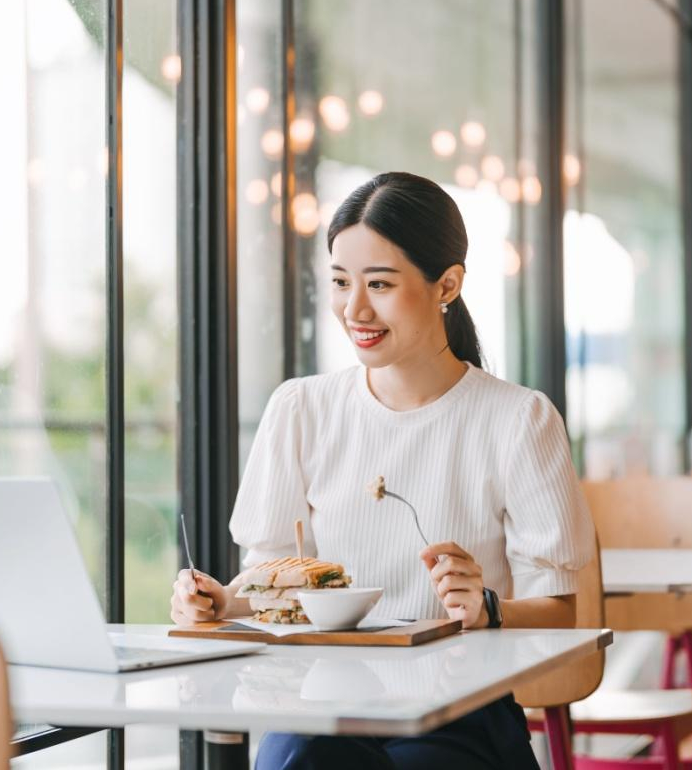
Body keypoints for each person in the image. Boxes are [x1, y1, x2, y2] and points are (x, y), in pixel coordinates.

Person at [170, 171, 595, 769]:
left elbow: (560, 612)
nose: (354, 308)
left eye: (380, 284)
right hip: (324, 706)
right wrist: (221, 605)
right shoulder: (301, 409)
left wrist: (488, 608)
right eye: (341, 282)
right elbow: (271, 584)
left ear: (446, 284)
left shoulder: (518, 420)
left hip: (460, 711)